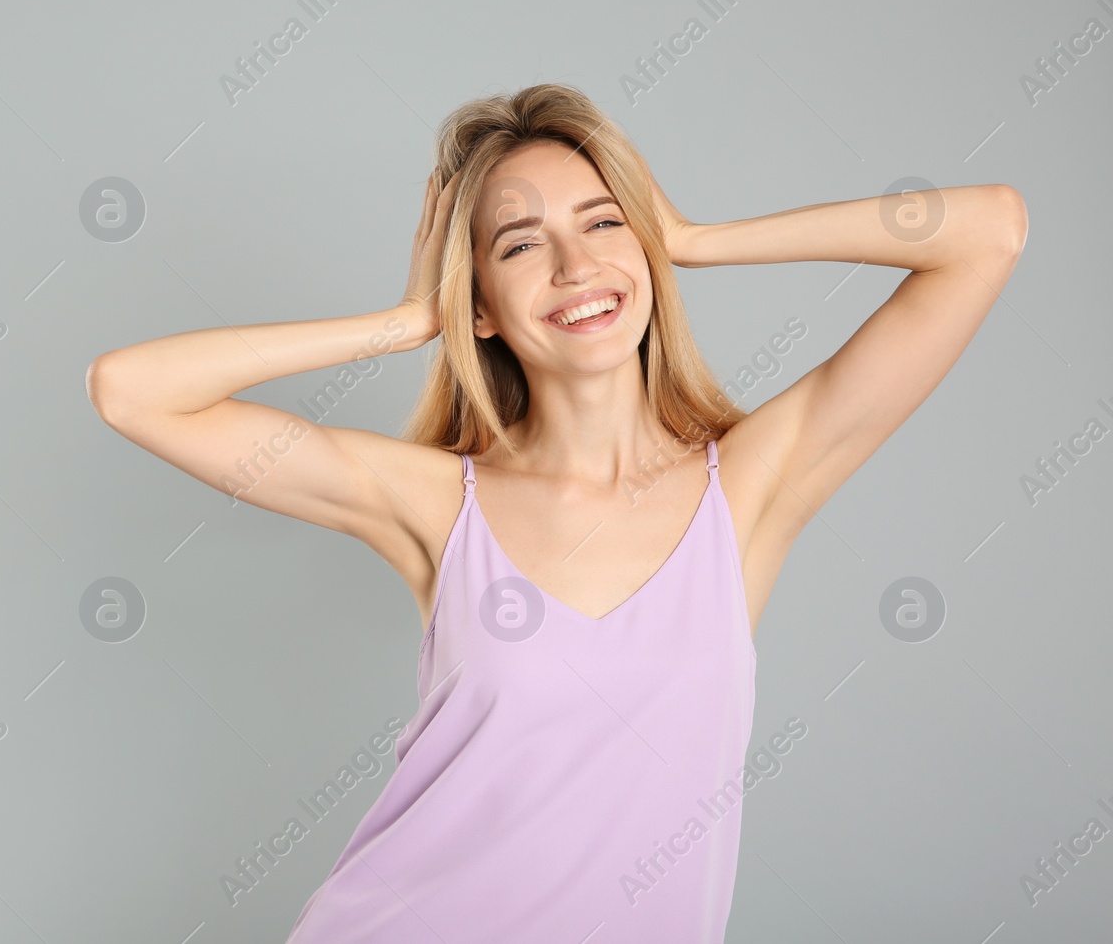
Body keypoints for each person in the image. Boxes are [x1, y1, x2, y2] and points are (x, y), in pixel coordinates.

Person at [85, 83, 1027, 941]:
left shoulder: (747, 487)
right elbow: (132, 390)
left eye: (605, 224)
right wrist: (408, 320)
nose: (577, 266)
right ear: (484, 305)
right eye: (521, 244)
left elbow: (989, 231)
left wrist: (695, 239)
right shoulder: (432, 502)